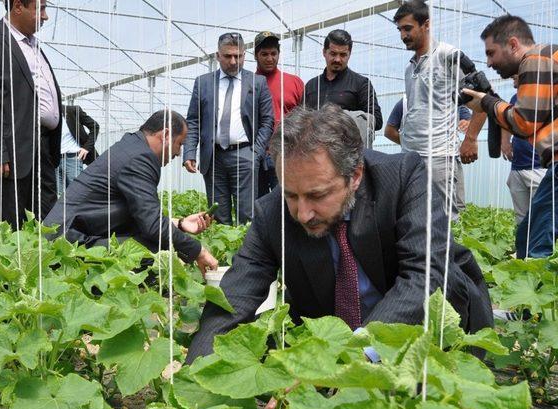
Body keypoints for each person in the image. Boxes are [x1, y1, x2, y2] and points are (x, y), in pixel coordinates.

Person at [186, 104, 494, 362]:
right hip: (334, 342)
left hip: (424, 334)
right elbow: (232, 301)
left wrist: (352, 357)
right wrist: (195, 376)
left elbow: (423, 277)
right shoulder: (273, 213)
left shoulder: (402, 177)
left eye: (317, 195)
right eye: (291, 195)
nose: (302, 212)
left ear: (355, 175)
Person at [44, 110, 218, 274]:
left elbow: (142, 214)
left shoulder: (133, 146)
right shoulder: (140, 158)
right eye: (179, 144)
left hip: (66, 236)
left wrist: (179, 223)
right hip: (67, 244)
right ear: (165, 135)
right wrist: (199, 252)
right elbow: (153, 226)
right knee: (156, 252)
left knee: (154, 244)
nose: (179, 152)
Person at [463, 15, 557, 258]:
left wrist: (487, 102)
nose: (489, 61)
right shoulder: (548, 57)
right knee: (529, 231)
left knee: (537, 240)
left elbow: (524, 122)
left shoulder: (536, 59)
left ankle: (539, 290)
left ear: (513, 44)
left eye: (491, 53)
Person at [0, 0, 62, 230]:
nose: (46, 16)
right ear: (18, 6)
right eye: (40, 8)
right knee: (12, 224)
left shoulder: (34, 45)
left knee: (49, 221)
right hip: (12, 150)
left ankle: (48, 265)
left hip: (44, 146)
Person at [393, 0, 487, 220]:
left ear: (426, 24)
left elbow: (483, 99)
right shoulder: (409, 68)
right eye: (400, 30)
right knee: (413, 218)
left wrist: (470, 138)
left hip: (439, 157)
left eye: (408, 28)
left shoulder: (448, 56)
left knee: (444, 222)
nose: (403, 35)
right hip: (410, 156)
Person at [183, 32, 274, 225]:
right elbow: (193, 121)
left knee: (247, 216)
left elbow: (267, 121)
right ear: (218, 56)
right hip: (213, 157)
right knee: (217, 216)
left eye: (238, 56)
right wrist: (190, 151)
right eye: (228, 56)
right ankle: (221, 256)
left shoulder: (257, 83)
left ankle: (247, 255)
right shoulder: (203, 83)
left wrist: (255, 153)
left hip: (244, 155)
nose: (233, 62)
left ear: (244, 55)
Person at [303, 29, 383, 142]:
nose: (337, 59)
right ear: (324, 53)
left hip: (346, 152)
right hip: (315, 151)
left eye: (343, 55)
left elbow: (377, 120)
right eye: (333, 54)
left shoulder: (361, 84)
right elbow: (301, 120)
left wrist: (340, 118)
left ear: (349, 54)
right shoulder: (311, 86)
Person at [253, 31, 304, 197]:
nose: (269, 58)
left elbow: (304, 120)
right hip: (256, 155)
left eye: (273, 53)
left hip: (285, 155)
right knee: (256, 204)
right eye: (264, 54)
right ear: (255, 55)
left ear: (279, 54)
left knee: (284, 202)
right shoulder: (247, 84)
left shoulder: (294, 82)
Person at [500, 75, 546, 225]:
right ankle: (522, 248)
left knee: (540, 218)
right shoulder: (515, 98)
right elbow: (507, 120)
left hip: (539, 167)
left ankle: (539, 248)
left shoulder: (544, 96)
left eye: (516, 74)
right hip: (517, 167)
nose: (512, 76)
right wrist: (505, 141)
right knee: (521, 218)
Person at [384, 98, 472, 145]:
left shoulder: (450, 99)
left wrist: (467, 123)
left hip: (444, 158)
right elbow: (389, 131)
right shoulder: (405, 102)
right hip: (413, 159)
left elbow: (469, 121)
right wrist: (409, 144)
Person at [56, 104, 100, 195]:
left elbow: (94, 126)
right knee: (57, 195)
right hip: (55, 161)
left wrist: (86, 148)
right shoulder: (47, 117)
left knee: (75, 193)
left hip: (73, 159)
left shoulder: (72, 111)